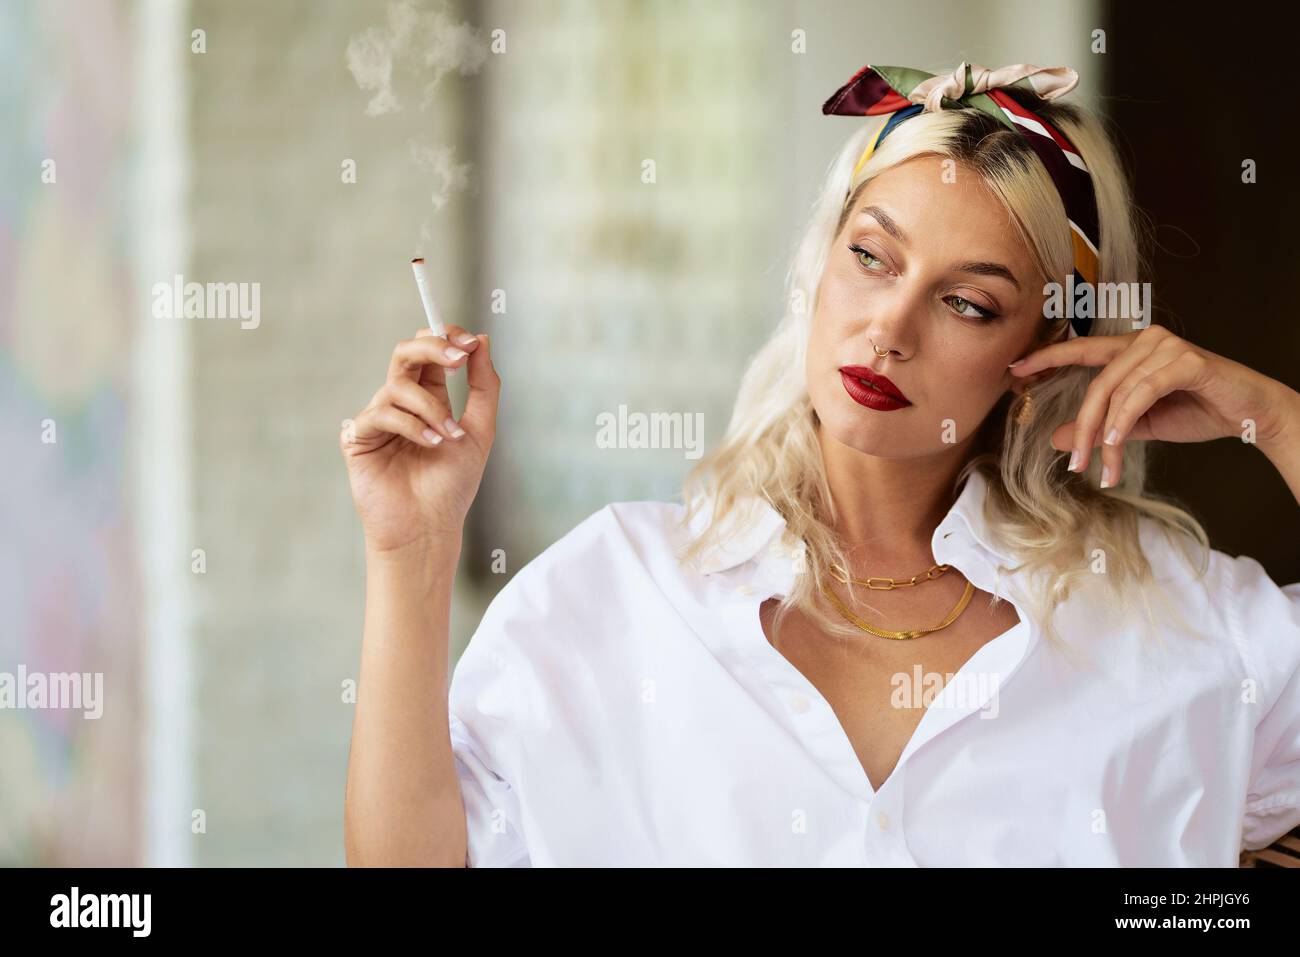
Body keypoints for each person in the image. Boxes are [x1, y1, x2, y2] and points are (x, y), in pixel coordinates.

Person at [340, 62, 1300, 866]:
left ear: (1044, 348)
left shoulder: (1175, 620)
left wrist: (1274, 417)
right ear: (819, 263)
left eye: (967, 302)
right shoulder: (611, 592)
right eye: (873, 258)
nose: (889, 327)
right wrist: (412, 550)